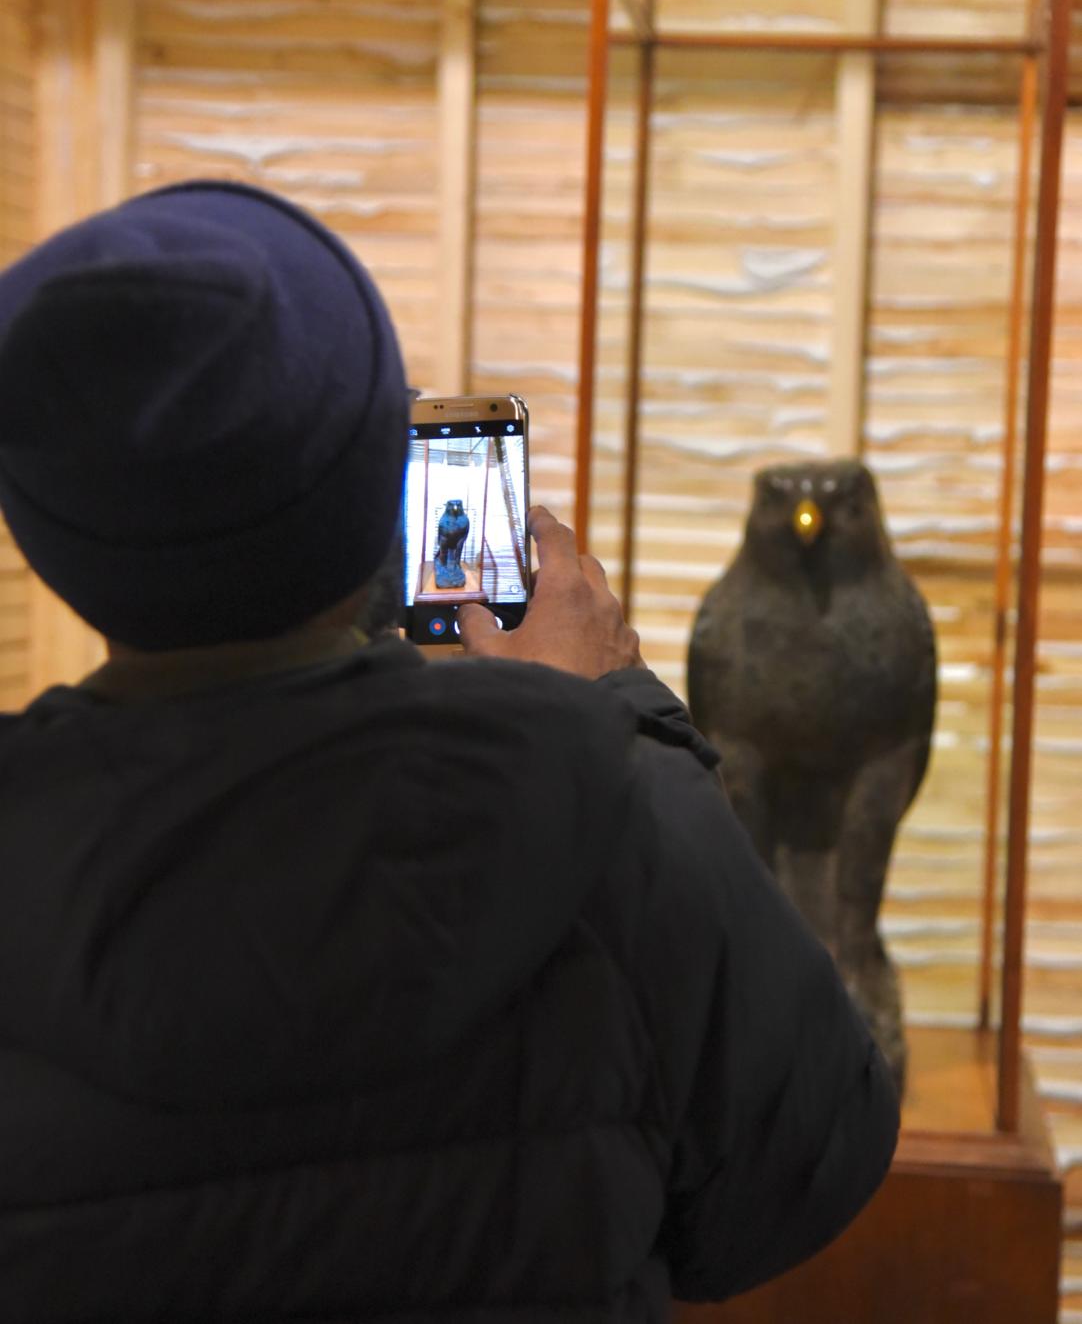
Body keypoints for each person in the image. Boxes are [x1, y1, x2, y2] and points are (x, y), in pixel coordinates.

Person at [0, 182, 898, 1323]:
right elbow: (805, 1167)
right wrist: (609, 709)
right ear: (374, 473)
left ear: (49, 528)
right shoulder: (599, 811)